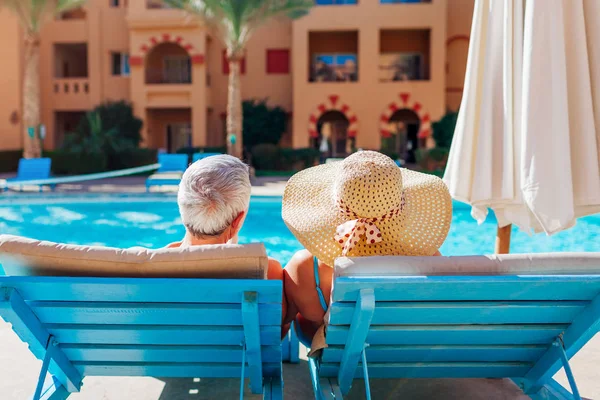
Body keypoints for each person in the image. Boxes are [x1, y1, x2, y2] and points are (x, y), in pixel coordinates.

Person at [281, 151, 452, 343]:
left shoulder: (305, 268)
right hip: (405, 354)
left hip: (340, 360)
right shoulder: (430, 261)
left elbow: (279, 326)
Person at [167, 155, 287, 328]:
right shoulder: (270, 273)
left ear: (182, 206)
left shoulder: (145, 269)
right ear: (238, 220)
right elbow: (274, 335)